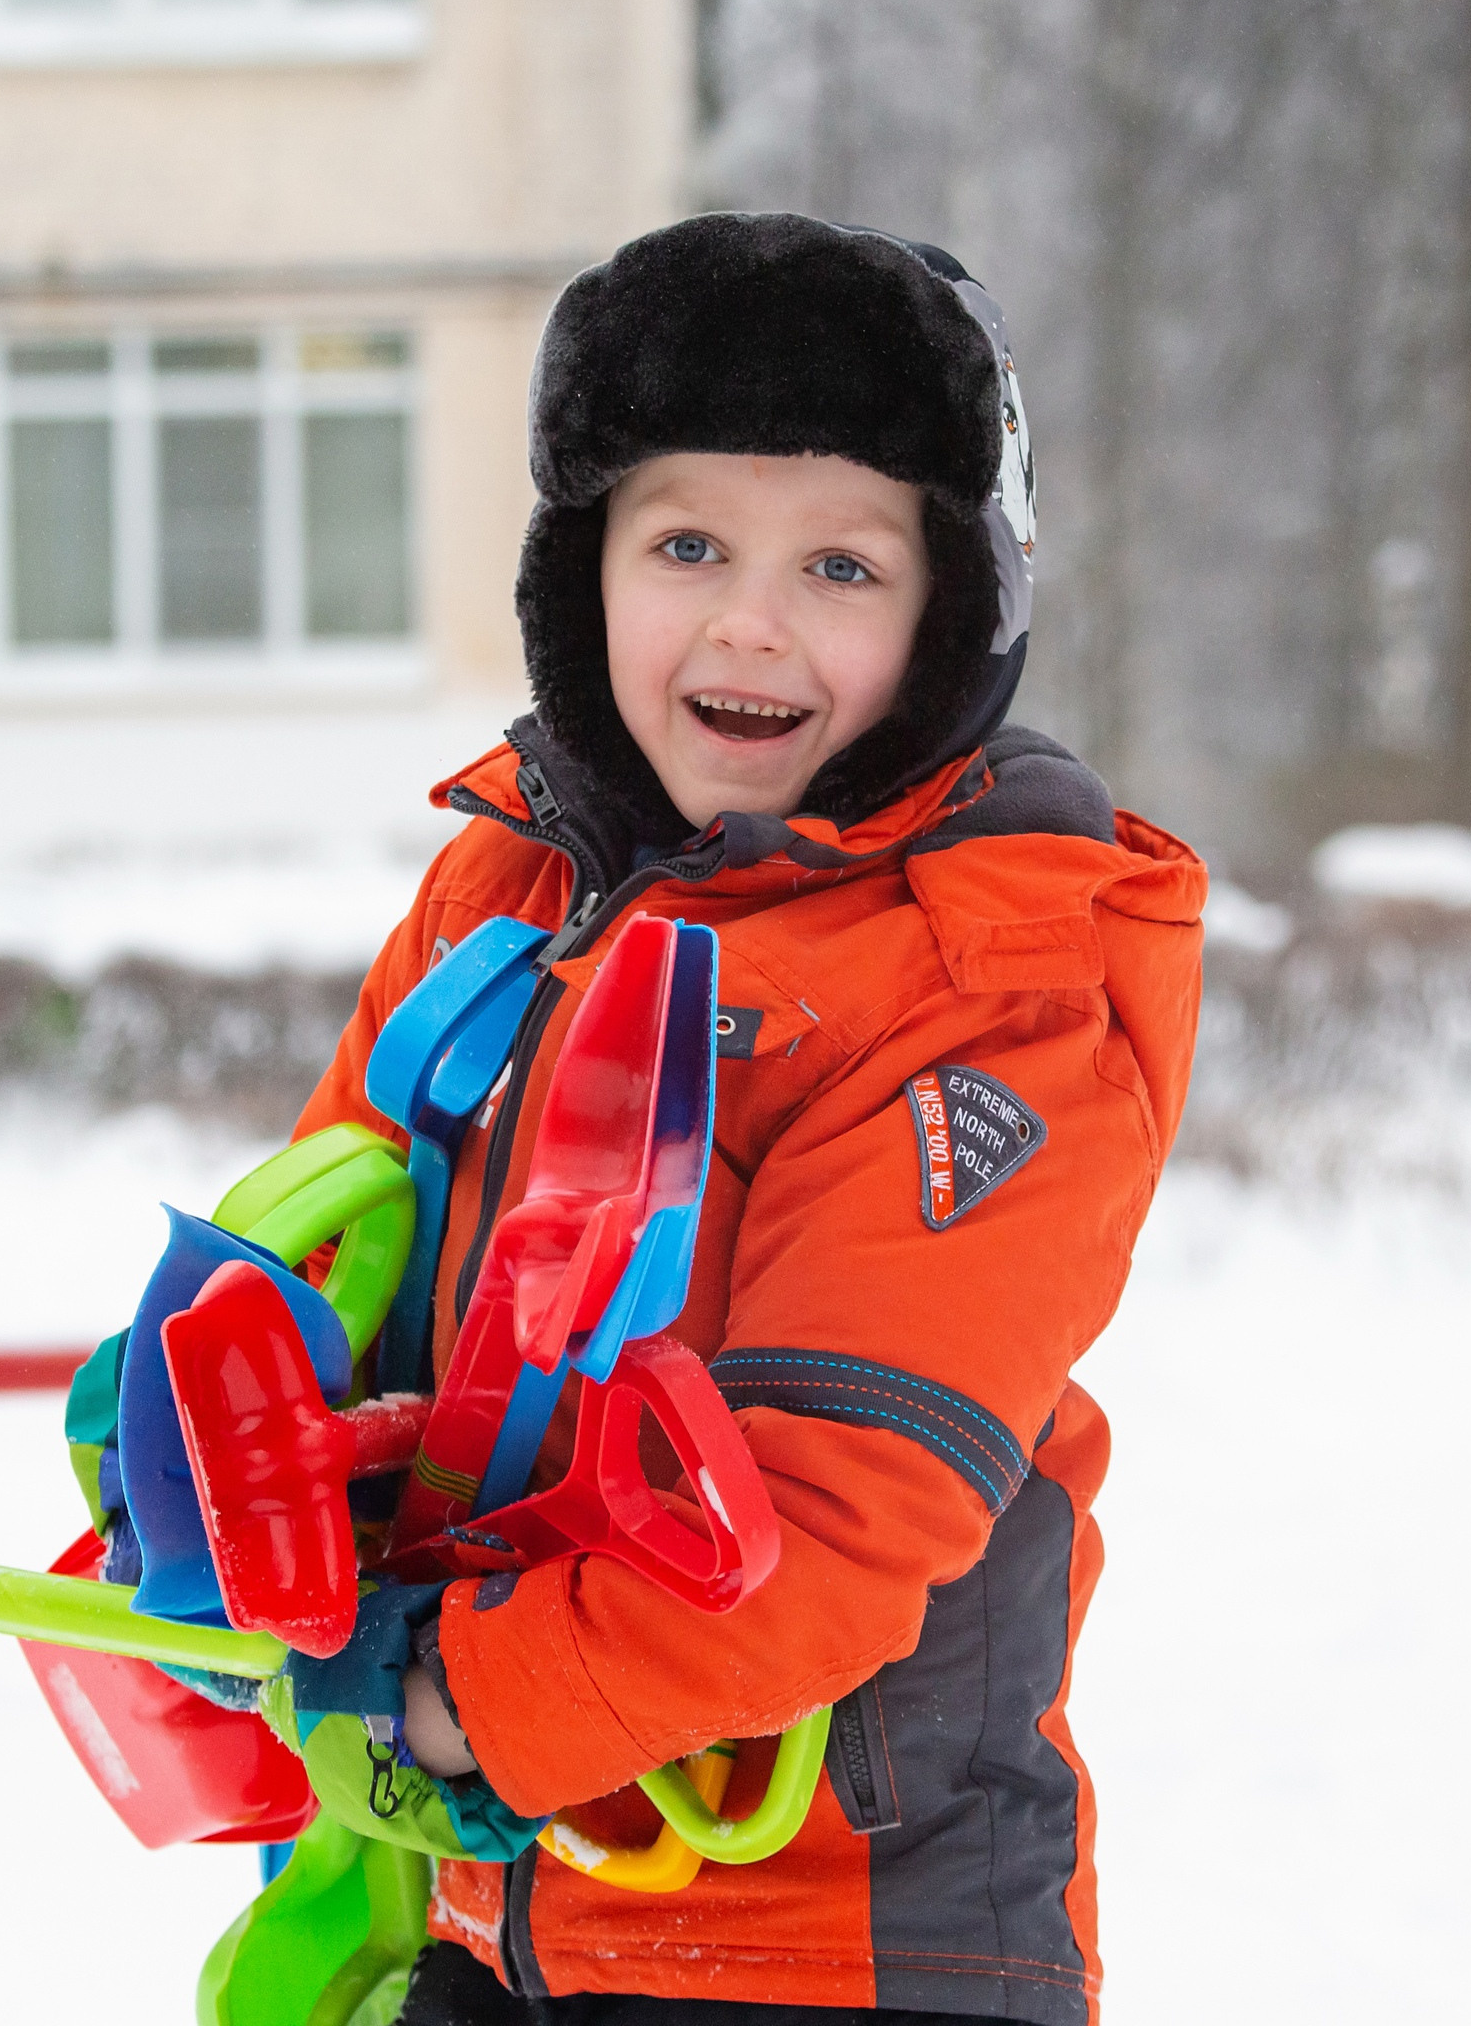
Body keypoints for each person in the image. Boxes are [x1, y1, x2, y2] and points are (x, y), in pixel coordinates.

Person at [277, 213, 1206, 2023]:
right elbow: (326, 1266)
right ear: (585, 573)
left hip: (841, 1945)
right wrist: (216, 1506)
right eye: (686, 540)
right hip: (495, 1903)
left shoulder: (986, 986)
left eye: (842, 567)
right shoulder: (502, 897)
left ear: (955, 610)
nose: (750, 621)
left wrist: (462, 1699)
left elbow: (836, 1516)